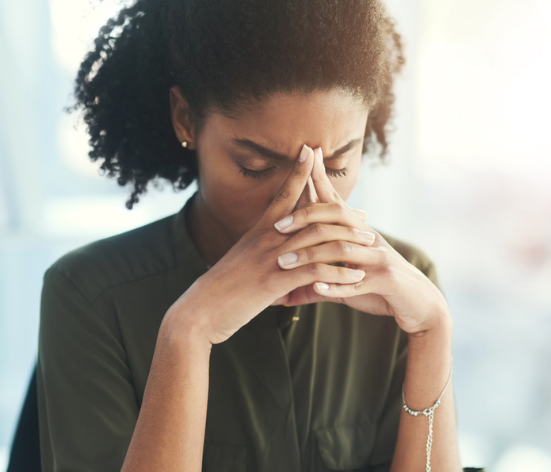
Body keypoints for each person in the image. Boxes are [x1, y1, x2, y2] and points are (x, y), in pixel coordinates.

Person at [36, 0, 462, 471]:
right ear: (185, 118)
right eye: (256, 167)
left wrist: (433, 332)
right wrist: (187, 332)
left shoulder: (404, 291)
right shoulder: (90, 296)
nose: (305, 202)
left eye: (338, 165)